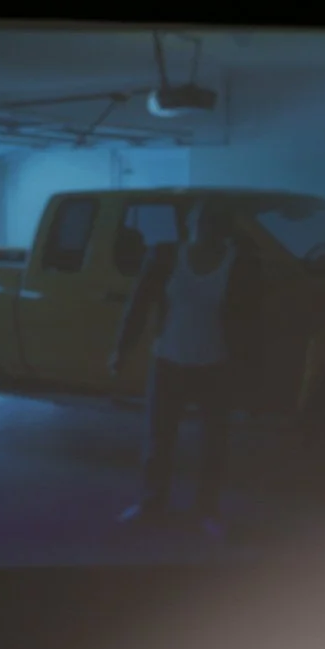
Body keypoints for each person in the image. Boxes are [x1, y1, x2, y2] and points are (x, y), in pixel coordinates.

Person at [110, 201, 260, 537]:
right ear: (190, 222)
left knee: (213, 444)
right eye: (201, 220)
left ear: (225, 230)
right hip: (168, 362)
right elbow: (139, 304)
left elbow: (251, 319)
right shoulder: (165, 257)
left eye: (214, 223)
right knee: (158, 439)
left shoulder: (239, 264)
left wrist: (248, 370)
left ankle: (207, 511)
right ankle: (151, 504)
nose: (206, 228)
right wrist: (121, 350)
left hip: (216, 365)